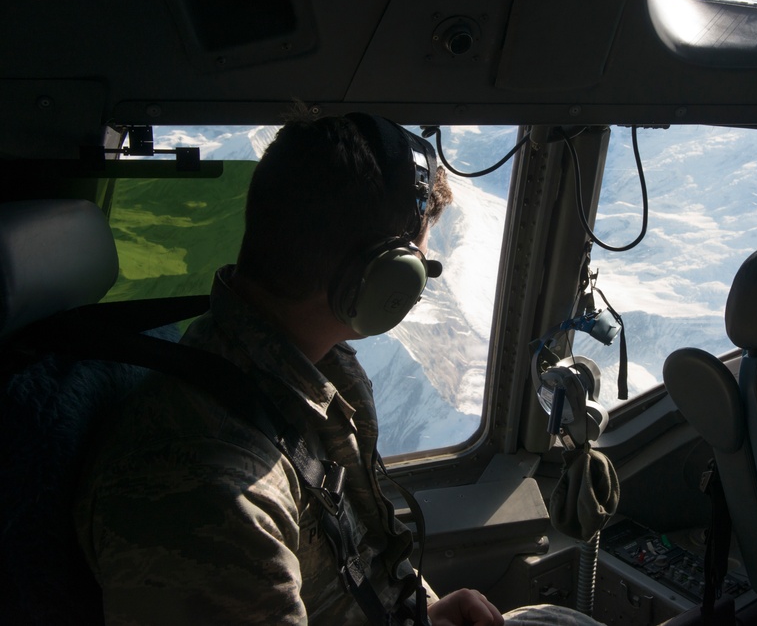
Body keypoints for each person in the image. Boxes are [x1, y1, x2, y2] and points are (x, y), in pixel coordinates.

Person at [74, 113, 601, 626]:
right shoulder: (209, 500)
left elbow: (356, 557)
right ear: (382, 279)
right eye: (419, 265)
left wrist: (426, 612)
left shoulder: (311, 373)